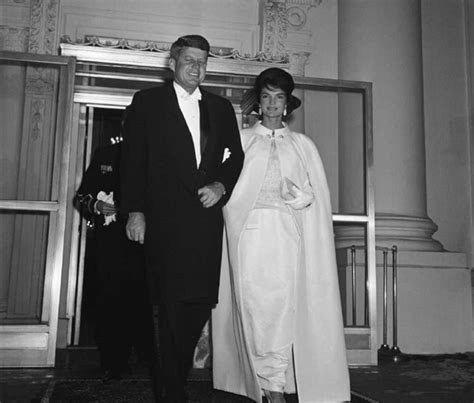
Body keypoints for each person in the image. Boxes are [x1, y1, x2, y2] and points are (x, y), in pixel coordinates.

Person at [212, 67, 350, 403]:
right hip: (248, 236)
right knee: (254, 308)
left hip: (287, 236)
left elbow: (314, 195)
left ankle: (274, 383)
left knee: (282, 307)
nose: (273, 104)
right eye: (266, 97)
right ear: (258, 102)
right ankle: (262, 381)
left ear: (287, 103)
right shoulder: (241, 140)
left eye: (279, 97)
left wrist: (301, 197)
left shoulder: (303, 146)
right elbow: (226, 190)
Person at [120, 34, 244, 402]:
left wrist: (222, 185)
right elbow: (132, 162)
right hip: (164, 222)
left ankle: (175, 378)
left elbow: (234, 157)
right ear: (172, 63)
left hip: (206, 224)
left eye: (202, 61)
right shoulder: (147, 103)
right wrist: (135, 211)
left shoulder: (221, 108)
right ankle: (172, 391)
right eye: (189, 60)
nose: (196, 67)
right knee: (171, 306)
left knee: (199, 306)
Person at [75, 117, 154, 381]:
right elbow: (82, 195)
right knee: (110, 299)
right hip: (110, 240)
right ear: (123, 126)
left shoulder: (156, 157)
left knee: (143, 298)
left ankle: (146, 355)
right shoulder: (106, 154)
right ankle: (114, 360)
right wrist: (95, 206)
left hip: (145, 239)